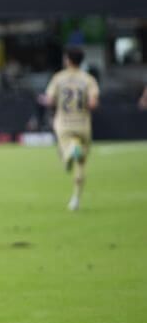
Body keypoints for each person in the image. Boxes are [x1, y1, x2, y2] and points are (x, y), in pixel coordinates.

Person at [42, 46, 100, 211]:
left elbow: (50, 100)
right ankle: (75, 199)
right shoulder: (88, 79)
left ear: (67, 60)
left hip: (64, 122)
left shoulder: (58, 78)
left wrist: (45, 100)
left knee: (66, 149)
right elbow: (93, 103)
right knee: (81, 163)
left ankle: (69, 152)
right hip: (83, 123)